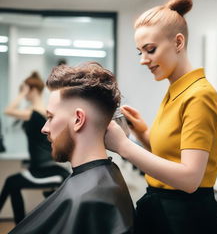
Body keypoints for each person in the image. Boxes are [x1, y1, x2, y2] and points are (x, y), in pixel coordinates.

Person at [104, 0, 217, 234]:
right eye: (140, 51)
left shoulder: (198, 95)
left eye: (150, 50)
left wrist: (124, 147)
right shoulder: (175, 91)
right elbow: (172, 156)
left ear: (178, 43)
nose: (143, 60)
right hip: (163, 210)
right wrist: (142, 134)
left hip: (187, 218)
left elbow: (190, 179)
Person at [9, 62, 134, 234]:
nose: (44, 128)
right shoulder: (108, 177)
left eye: (51, 117)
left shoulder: (89, 198)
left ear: (78, 120)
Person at [1, 72, 69, 224]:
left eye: (25, 91)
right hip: (44, 166)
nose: (24, 95)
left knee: (11, 182)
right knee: (12, 183)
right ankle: (20, 224)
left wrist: (21, 93)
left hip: (42, 169)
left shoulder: (35, 113)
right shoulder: (40, 110)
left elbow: (8, 110)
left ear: (31, 90)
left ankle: (20, 224)